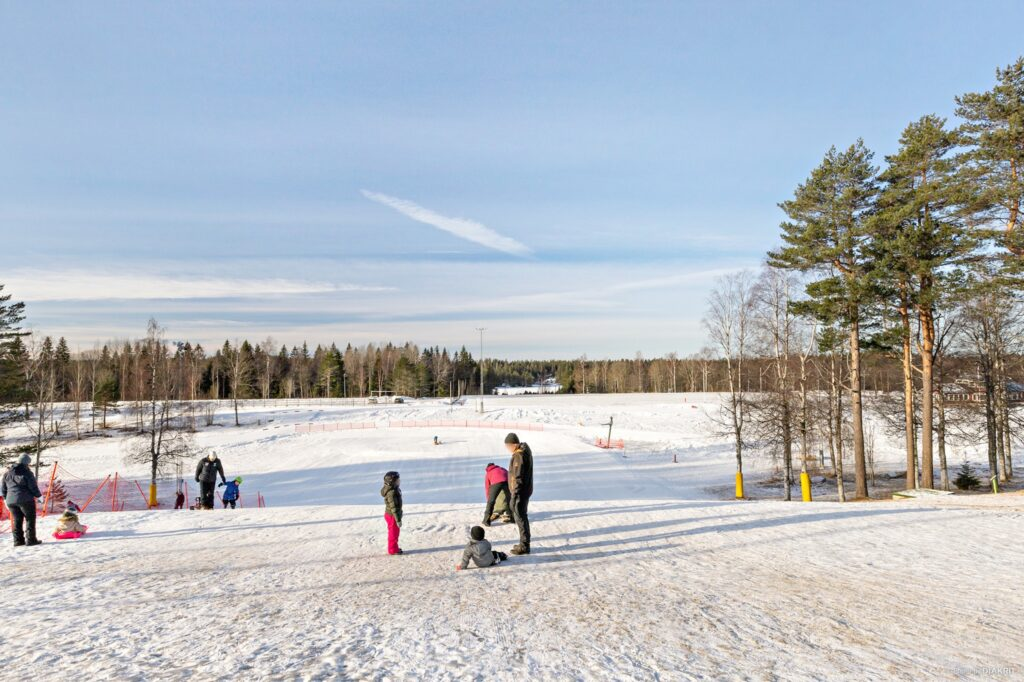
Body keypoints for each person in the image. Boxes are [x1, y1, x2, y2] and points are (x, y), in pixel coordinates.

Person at [2, 453, 43, 547]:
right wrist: (39, 496)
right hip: (26, 500)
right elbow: (33, 487)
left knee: (17, 520)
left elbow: (3, 489)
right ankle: (31, 540)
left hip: (10, 501)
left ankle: (18, 541)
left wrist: (5, 499)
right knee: (30, 519)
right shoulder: (27, 473)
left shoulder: (7, 473)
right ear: (26, 463)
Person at [505, 433, 533, 555]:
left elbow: (517, 476)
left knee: (520, 518)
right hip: (524, 490)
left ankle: (524, 545)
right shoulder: (522, 452)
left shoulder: (519, 456)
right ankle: (524, 543)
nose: (507, 448)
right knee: (521, 516)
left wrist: (515, 493)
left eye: (508, 446)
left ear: (514, 444)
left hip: (520, 492)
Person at [381, 470, 403, 555]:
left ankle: (394, 547)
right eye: (397, 481)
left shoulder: (394, 489)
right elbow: (394, 507)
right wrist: (398, 520)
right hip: (393, 515)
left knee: (394, 532)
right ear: (392, 482)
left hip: (391, 515)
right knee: (393, 533)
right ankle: (393, 549)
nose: (399, 482)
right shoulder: (391, 493)